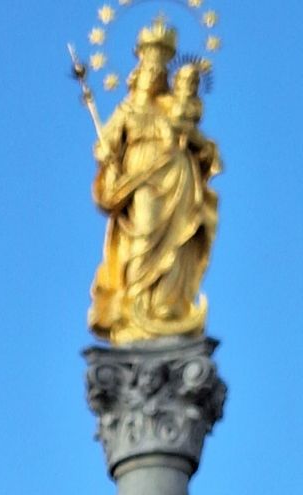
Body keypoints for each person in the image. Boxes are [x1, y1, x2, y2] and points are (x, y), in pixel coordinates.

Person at [88, 25, 221, 344]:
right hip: (140, 180)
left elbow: (206, 148)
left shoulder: (174, 106)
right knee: (144, 237)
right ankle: (135, 302)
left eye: (158, 69)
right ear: (136, 75)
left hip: (177, 177)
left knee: (176, 243)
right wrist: (106, 153)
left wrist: (194, 142)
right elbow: (105, 145)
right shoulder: (127, 109)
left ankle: (166, 305)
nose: (152, 74)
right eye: (146, 69)